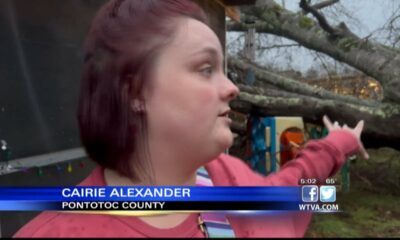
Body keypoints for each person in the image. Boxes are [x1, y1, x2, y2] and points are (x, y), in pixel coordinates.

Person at [14, 0, 369, 237]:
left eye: (223, 70)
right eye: (205, 68)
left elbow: (289, 190)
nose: (231, 87)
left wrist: (339, 144)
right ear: (135, 92)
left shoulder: (224, 179)